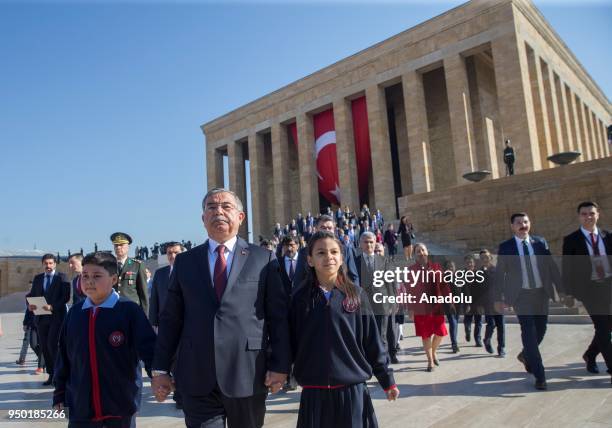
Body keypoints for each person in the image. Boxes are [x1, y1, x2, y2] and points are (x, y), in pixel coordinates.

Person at [152, 188, 290, 428]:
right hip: (197, 374)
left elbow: (278, 317)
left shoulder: (264, 259)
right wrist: (160, 369)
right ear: (203, 218)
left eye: (226, 206)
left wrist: (280, 366)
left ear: (240, 217)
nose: (219, 212)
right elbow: (170, 319)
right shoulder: (185, 262)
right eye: (211, 207)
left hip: (248, 372)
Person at [290, 231, 399, 427]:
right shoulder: (299, 299)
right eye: (321, 253)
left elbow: (372, 341)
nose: (328, 257)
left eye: (334, 252)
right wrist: (279, 371)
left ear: (341, 258)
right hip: (315, 392)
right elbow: (289, 342)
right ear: (310, 260)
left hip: (352, 390)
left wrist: (386, 379)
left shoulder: (357, 295)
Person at [53, 252, 156, 426]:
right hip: (81, 405)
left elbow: (149, 348)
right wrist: (59, 392)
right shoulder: (75, 314)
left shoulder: (128, 311)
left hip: (120, 404)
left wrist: (158, 377)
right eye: (85, 276)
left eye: (97, 276)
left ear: (114, 279)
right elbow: (64, 354)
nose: (89, 281)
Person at [494, 213, 563, 390]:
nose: (523, 225)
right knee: (529, 332)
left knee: (541, 329)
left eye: (525, 222)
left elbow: (551, 266)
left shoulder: (540, 243)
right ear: (512, 226)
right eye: (518, 223)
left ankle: (526, 355)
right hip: (520, 296)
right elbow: (500, 274)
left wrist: (562, 289)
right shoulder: (506, 247)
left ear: (529, 224)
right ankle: (540, 375)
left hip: (541, 293)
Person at [562, 201, 611, 383]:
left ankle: (590, 355)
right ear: (579, 216)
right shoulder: (571, 240)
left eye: (591, 213)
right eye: (584, 214)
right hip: (590, 289)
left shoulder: (609, 236)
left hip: (609, 286)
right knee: (603, 328)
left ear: (598, 214)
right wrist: (568, 293)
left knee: (608, 327)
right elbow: (567, 269)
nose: (588, 217)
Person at [26, 253, 70, 386]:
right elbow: (32, 294)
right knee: (45, 347)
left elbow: (65, 297)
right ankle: (51, 375)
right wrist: (29, 305)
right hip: (41, 318)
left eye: (51, 263)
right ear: (42, 264)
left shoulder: (62, 277)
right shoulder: (38, 278)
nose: (48, 266)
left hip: (56, 317)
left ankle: (60, 374)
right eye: (46, 263)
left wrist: (52, 306)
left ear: (55, 264)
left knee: (53, 345)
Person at [357, 231, 399, 364]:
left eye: (371, 242)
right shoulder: (355, 262)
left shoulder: (384, 261)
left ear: (375, 243)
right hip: (362, 306)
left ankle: (383, 362)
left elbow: (390, 283)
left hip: (382, 303)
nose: (369, 244)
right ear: (360, 244)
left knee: (382, 335)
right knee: (366, 335)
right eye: (366, 242)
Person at [407, 243, 450, 371]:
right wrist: (410, 308)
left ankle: (433, 351)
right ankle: (430, 361)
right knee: (425, 335)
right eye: (418, 251)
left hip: (436, 306)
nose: (421, 253)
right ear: (414, 255)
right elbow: (409, 291)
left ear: (427, 252)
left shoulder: (436, 267)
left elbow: (444, 285)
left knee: (440, 332)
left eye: (423, 250)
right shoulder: (411, 270)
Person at [293, 215, 359, 289]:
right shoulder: (304, 252)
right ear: (316, 230)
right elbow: (298, 279)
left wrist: (354, 297)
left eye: (330, 228)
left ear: (334, 230)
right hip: (314, 296)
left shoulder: (346, 250)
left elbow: (353, 277)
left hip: (342, 295)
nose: (326, 230)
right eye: (323, 228)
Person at [111, 232, 149, 315]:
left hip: (132, 310)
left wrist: (144, 316)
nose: (118, 247)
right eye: (116, 245)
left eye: (121, 245)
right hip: (113, 309)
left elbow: (143, 293)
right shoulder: (109, 266)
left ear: (128, 247)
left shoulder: (137, 265)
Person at [480, 249, 505, 357]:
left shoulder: (498, 271)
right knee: (491, 324)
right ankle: (487, 339)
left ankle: (501, 348)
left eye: (486, 257)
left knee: (501, 326)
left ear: (491, 258)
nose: (485, 259)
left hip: (498, 301)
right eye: (482, 258)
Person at [16, 303, 45, 374]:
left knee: (42, 345)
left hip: (43, 322)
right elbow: (28, 311)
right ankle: (45, 359)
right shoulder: (31, 296)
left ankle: (41, 365)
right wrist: (25, 323)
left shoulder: (46, 294)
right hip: (32, 324)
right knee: (33, 344)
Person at [463, 254, 484, 347]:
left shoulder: (478, 274)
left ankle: (478, 339)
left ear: (474, 264)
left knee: (478, 321)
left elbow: (482, 289)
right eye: (467, 263)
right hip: (467, 301)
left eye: (471, 262)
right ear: (465, 264)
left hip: (477, 301)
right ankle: (468, 331)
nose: (469, 264)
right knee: (467, 319)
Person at [442, 260, 462, 353]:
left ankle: (454, 340)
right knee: (453, 322)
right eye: (448, 267)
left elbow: (463, 290)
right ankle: (454, 344)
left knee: (456, 322)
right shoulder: (444, 278)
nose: (450, 268)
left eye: (452, 267)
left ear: (455, 268)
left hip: (458, 304)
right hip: (449, 304)